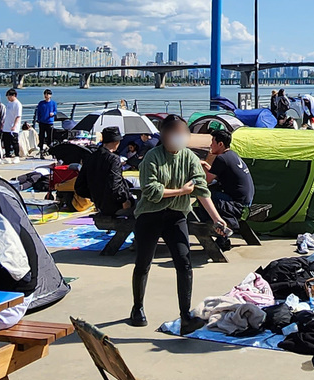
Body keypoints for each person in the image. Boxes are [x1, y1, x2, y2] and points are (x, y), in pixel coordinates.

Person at [128, 115, 229, 332]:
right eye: (175, 133)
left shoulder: (189, 157)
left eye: (184, 133)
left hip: (176, 216)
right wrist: (181, 191)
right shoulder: (152, 158)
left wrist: (216, 219)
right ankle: (138, 307)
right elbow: (151, 191)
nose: (181, 137)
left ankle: (185, 316)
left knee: (184, 263)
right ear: (163, 136)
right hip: (150, 216)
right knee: (143, 263)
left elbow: (202, 189)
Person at [203, 128, 254, 234]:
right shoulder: (232, 155)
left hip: (237, 205)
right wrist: (204, 164)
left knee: (204, 195)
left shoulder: (221, 159)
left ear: (220, 144)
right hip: (247, 201)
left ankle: (214, 226)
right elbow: (216, 175)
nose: (210, 145)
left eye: (213, 142)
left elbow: (206, 180)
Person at [75, 127, 134, 218]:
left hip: (99, 203)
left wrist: (94, 196)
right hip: (115, 205)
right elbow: (115, 184)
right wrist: (124, 200)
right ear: (116, 142)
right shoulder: (113, 159)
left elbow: (80, 186)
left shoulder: (91, 157)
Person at [0, 88, 23, 161]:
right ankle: (7, 155)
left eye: (9, 96)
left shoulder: (18, 104)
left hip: (13, 127)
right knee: (6, 141)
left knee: (14, 142)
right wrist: (3, 122)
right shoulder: (9, 103)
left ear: (14, 95)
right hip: (6, 126)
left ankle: (17, 155)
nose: (8, 98)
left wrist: (14, 125)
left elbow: (18, 116)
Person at [34, 89, 58, 156]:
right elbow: (38, 112)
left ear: (50, 95)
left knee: (49, 136)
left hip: (49, 122)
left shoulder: (53, 103)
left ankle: (50, 150)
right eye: (45, 94)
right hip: (42, 122)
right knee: (41, 136)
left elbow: (55, 111)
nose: (46, 95)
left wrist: (53, 113)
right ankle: (41, 149)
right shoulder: (41, 103)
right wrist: (38, 120)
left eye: (47, 94)